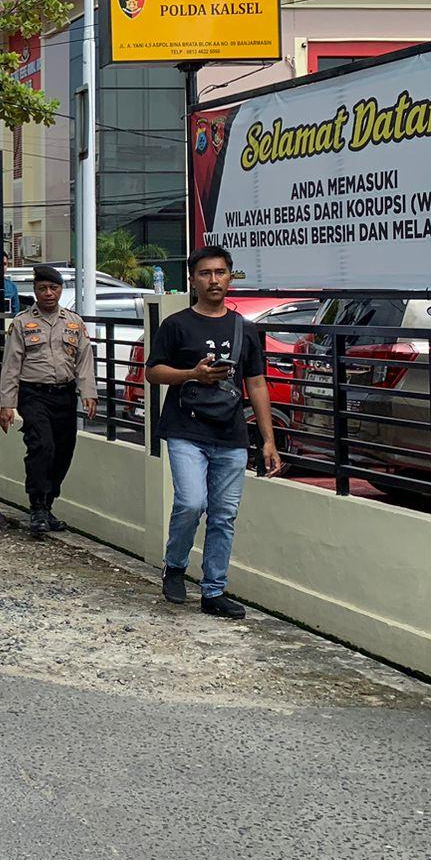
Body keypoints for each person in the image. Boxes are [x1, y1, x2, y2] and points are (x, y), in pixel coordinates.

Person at [146, 245, 281, 619]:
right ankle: (174, 566)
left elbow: (256, 384)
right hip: (186, 428)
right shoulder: (177, 325)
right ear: (192, 279)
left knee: (223, 514)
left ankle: (213, 590)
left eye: (220, 272)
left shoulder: (245, 329)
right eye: (205, 273)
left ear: (229, 276)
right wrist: (193, 373)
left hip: (231, 433)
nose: (213, 280)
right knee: (191, 502)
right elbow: (153, 372)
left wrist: (268, 440)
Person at [0, 263, 97, 535]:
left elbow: (84, 360)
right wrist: (7, 404)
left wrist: (89, 393)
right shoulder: (22, 323)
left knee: (63, 451)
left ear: (61, 290)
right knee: (42, 446)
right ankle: (37, 507)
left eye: (53, 288)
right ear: (35, 291)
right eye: (42, 289)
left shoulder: (74, 322)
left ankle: (49, 504)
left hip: (64, 395)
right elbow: (11, 364)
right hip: (33, 394)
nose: (48, 293)